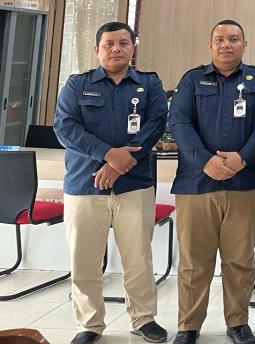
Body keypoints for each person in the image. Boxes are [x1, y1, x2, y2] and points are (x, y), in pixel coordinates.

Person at [53, 22, 169, 344]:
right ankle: (89, 324)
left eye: (123, 43)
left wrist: (118, 165)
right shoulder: (77, 85)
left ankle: (143, 319)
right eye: (109, 44)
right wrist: (107, 154)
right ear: (97, 50)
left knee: (138, 258)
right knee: (84, 259)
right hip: (84, 185)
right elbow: (65, 127)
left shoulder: (149, 84)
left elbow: (155, 125)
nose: (116, 49)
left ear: (133, 48)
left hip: (134, 185)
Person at [169, 20, 255, 344]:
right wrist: (206, 161)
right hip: (197, 183)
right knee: (194, 261)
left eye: (233, 39)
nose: (226, 44)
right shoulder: (192, 80)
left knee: (240, 259)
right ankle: (188, 325)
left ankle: (237, 321)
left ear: (244, 44)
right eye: (219, 39)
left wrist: (243, 158)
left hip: (245, 183)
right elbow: (179, 122)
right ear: (210, 45)